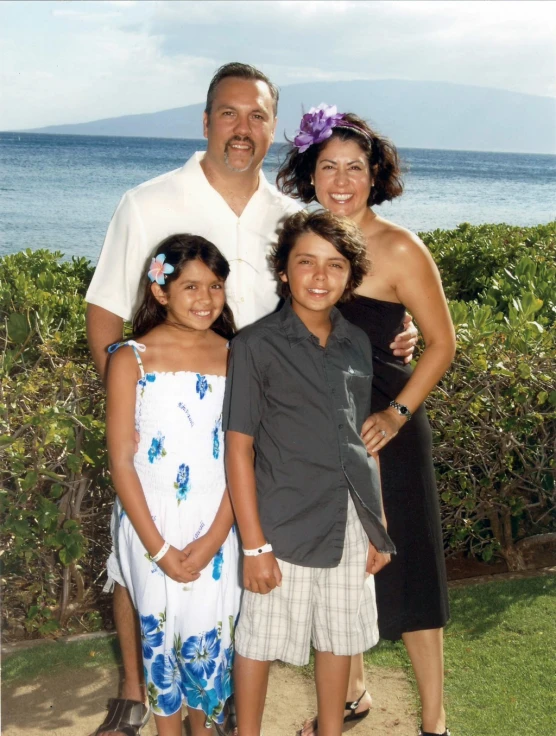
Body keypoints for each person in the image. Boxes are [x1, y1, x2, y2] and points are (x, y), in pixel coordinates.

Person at [86, 63, 416, 736]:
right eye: (229, 114)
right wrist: (139, 406)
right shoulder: (148, 202)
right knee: (144, 569)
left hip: (259, 452)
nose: (243, 128)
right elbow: (104, 315)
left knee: (229, 588)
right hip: (164, 438)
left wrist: (398, 327)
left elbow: (330, 296)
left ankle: (224, 705)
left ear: (273, 129)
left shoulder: (290, 218)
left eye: (258, 116)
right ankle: (136, 689)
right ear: (205, 121)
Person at [277, 105, 456, 736]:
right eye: (328, 166)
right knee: (339, 571)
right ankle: (352, 697)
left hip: (387, 432)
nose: (342, 179)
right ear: (310, 173)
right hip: (321, 437)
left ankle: (434, 721)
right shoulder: (303, 241)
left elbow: (440, 342)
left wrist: (398, 412)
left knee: (411, 577)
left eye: (355, 166)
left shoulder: (401, 248)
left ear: (375, 174)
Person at [223, 210, 396, 736]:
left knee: (340, 638)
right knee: (257, 641)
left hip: (348, 519)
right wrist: (254, 546)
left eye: (335, 265)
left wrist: (377, 524)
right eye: (306, 263)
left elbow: (364, 439)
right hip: (283, 524)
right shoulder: (254, 345)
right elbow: (238, 448)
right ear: (283, 270)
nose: (320, 277)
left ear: (350, 277)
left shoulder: (356, 344)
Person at [105, 234, 241, 736]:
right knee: (159, 644)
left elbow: (241, 458)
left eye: (215, 285)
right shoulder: (130, 358)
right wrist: (160, 549)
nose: (205, 298)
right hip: (149, 525)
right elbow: (122, 461)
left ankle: (203, 727)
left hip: (216, 522)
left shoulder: (237, 355)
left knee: (208, 642)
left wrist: (211, 540)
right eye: (190, 287)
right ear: (160, 291)